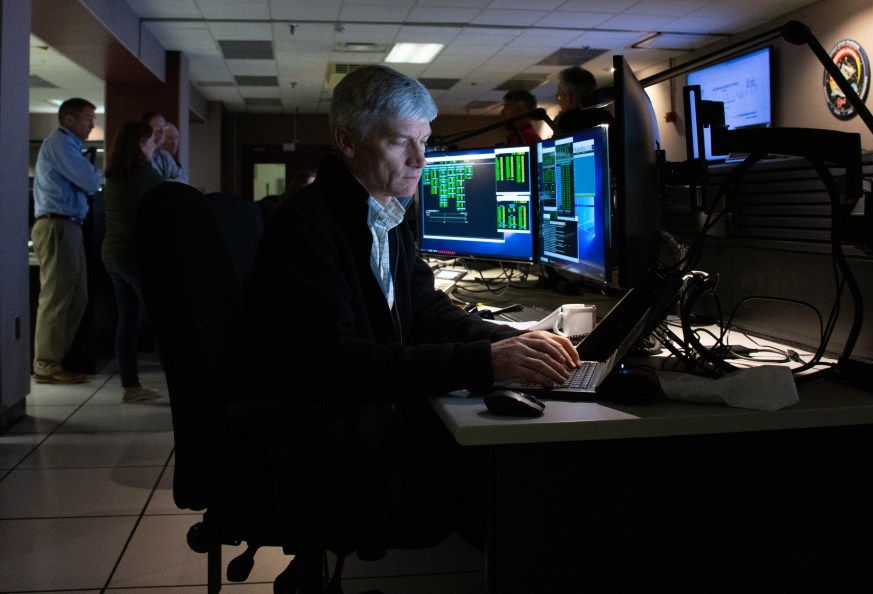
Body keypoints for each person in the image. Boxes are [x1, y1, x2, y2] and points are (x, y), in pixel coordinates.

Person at [242, 65, 580, 560]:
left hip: (365, 419)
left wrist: (508, 341)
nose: (421, 159)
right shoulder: (307, 227)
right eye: (401, 142)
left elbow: (424, 310)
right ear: (348, 141)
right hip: (333, 445)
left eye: (425, 141)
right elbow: (334, 364)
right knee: (529, 471)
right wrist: (485, 364)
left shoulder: (384, 213)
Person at [31, 98, 104, 385]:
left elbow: (90, 178)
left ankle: (54, 361)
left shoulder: (70, 147)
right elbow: (90, 181)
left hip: (68, 225)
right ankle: (47, 365)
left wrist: (92, 175)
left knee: (77, 297)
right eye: (88, 118)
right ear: (69, 120)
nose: (92, 125)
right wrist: (92, 175)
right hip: (57, 225)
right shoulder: (60, 143)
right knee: (57, 299)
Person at [101, 121, 166, 403]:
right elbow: (168, 206)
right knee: (163, 320)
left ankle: (131, 386)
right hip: (136, 255)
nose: (154, 146)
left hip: (113, 254)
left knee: (128, 320)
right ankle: (183, 386)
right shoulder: (146, 175)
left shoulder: (115, 175)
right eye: (151, 141)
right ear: (140, 144)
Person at [554, 65, 615, 134]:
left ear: (569, 96)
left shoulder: (568, 120)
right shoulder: (606, 116)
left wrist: (555, 126)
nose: (559, 102)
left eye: (559, 96)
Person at [142, 111, 188, 183]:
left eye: (164, 127)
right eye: (157, 128)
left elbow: (184, 179)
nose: (162, 131)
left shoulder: (164, 155)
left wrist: (165, 183)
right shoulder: (139, 156)